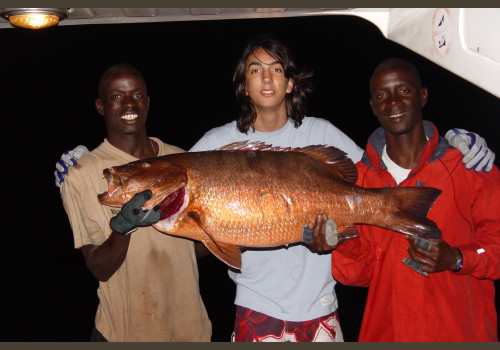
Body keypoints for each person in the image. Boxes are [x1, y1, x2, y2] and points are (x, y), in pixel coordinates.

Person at [55, 38, 495, 342]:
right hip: (255, 308)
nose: (266, 79)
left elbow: (379, 169)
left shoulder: (323, 133)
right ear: (243, 84)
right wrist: (86, 160)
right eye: (254, 70)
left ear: (289, 82)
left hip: (322, 306)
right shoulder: (208, 146)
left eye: (276, 69)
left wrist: (457, 144)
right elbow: (164, 179)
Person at [319, 58, 500, 341]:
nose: (393, 102)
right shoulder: (362, 181)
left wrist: (458, 258)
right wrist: (337, 242)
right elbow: (361, 273)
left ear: (423, 95)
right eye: (381, 95)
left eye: (403, 90)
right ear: (372, 106)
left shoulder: (467, 166)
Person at [59, 63, 211, 341]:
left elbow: (194, 251)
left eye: (137, 95)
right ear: (100, 106)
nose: (129, 103)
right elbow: (98, 267)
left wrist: (226, 226)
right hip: (124, 333)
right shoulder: (79, 176)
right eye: (117, 96)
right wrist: (123, 229)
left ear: (148, 102)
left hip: (189, 330)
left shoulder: (180, 160)